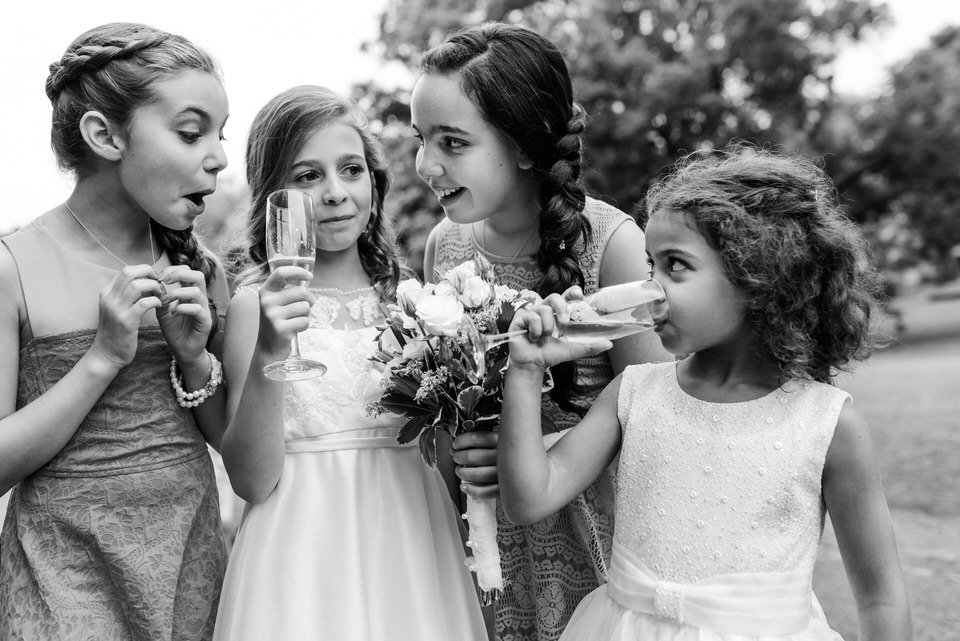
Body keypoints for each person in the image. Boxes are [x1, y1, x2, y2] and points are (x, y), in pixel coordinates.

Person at [497, 144, 913, 641]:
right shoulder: (633, 394)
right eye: (651, 265)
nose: (651, 287)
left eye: (676, 266)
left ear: (758, 277)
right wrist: (524, 371)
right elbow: (529, 498)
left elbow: (880, 598)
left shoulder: (826, 425)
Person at [409, 21, 670, 640]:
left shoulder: (613, 244)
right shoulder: (443, 249)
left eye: (452, 142)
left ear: (525, 145)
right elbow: (449, 414)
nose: (426, 165)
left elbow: (658, 423)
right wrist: (461, 453)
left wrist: (531, 455)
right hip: (483, 545)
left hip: (592, 537)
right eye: (421, 139)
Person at [213, 85, 488, 640]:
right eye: (308, 176)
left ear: (374, 182)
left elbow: (442, 454)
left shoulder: (415, 302)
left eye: (351, 169)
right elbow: (251, 479)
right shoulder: (253, 308)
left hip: (410, 537)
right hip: (300, 548)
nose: (336, 193)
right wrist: (270, 347)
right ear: (276, 198)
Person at [0, 22, 231, 640]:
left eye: (220, 133)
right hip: (62, 574)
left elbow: (233, 447)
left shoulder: (200, 271)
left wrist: (194, 362)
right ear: (105, 135)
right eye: (191, 133)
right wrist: (102, 357)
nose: (219, 156)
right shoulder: (13, 266)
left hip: (190, 561)